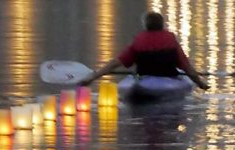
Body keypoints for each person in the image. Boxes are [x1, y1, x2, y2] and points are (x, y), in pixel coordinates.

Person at [81, 11, 209, 90]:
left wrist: (92, 78)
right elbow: (187, 68)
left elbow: (114, 63)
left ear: (145, 25)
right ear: (162, 25)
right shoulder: (171, 40)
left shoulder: (138, 41)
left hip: (143, 79)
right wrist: (200, 83)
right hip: (168, 78)